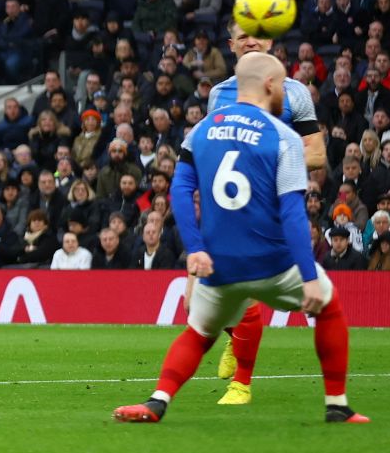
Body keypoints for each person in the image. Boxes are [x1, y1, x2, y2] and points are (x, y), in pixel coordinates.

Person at [114, 54, 368, 424]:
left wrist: (196, 250)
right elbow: (294, 213)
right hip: (271, 261)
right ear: (268, 86)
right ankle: (337, 405)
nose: (283, 92)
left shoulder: (200, 131)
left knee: (199, 334)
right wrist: (309, 278)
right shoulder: (283, 137)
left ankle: (156, 402)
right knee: (327, 303)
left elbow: (181, 190)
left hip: (218, 266)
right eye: (281, 84)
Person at [202, 18, 327, 404]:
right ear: (232, 45)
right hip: (229, 205)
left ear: (270, 42)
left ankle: (242, 383)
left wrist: (266, 163)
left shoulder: (296, 94)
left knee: (249, 285)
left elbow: (319, 155)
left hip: (274, 206)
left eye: (257, 35)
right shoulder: (218, 95)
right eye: (243, 37)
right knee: (208, 285)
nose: (251, 42)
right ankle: (236, 336)